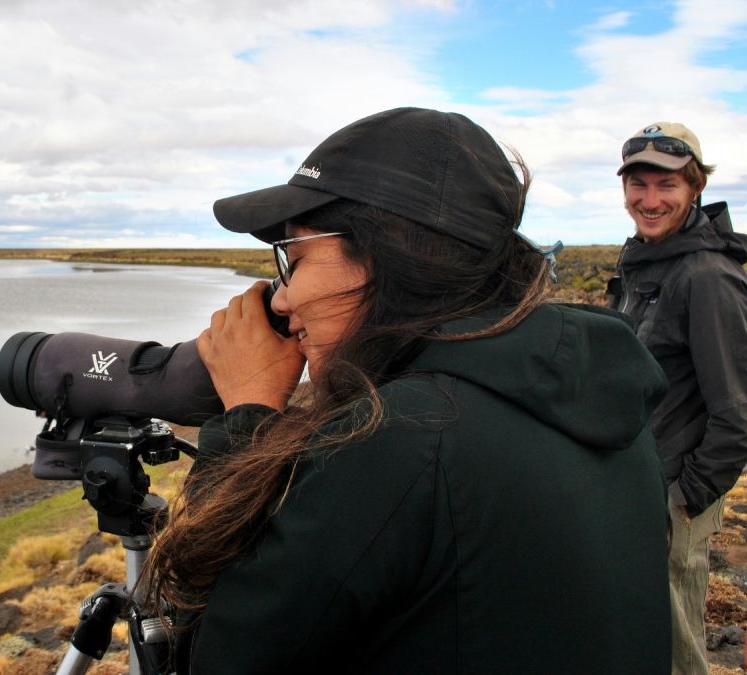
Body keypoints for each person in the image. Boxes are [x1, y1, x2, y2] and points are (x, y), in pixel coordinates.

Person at [137, 107, 672, 674]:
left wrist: (246, 413)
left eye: (294, 261)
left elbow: (220, 652)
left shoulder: (400, 438)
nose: (281, 299)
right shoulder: (598, 399)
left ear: (383, 257)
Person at [607, 121, 747, 675]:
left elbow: (737, 409)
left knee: (673, 644)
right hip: (632, 481)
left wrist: (686, 498)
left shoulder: (707, 275)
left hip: (671, 494)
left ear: (694, 189)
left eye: (666, 186)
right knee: (632, 630)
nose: (649, 200)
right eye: (638, 185)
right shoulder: (640, 259)